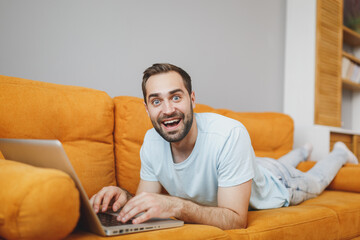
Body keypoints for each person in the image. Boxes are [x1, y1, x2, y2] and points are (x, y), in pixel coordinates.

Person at [90, 63, 359, 230]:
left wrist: (176, 206)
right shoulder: (151, 142)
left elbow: (235, 220)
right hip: (253, 170)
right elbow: (145, 201)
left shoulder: (229, 134)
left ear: (192, 99)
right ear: (147, 107)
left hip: (280, 183)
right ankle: (301, 151)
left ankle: (336, 152)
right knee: (269, 163)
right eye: (156, 101)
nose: (168, 109)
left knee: (316, 178)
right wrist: (124, 197)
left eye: (175, 96)